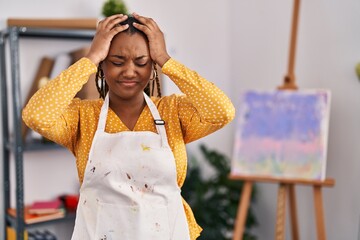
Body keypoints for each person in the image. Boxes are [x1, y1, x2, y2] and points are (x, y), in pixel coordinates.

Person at [23, 13, 235, 240]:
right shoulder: (83, 116)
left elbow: (222, 112)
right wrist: (90, 58)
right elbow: (36, 115)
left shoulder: (173, 112)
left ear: (152, 66)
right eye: (117, 62)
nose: (129, 71)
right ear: (103, 66)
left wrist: (165, 59)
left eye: (141, 62)